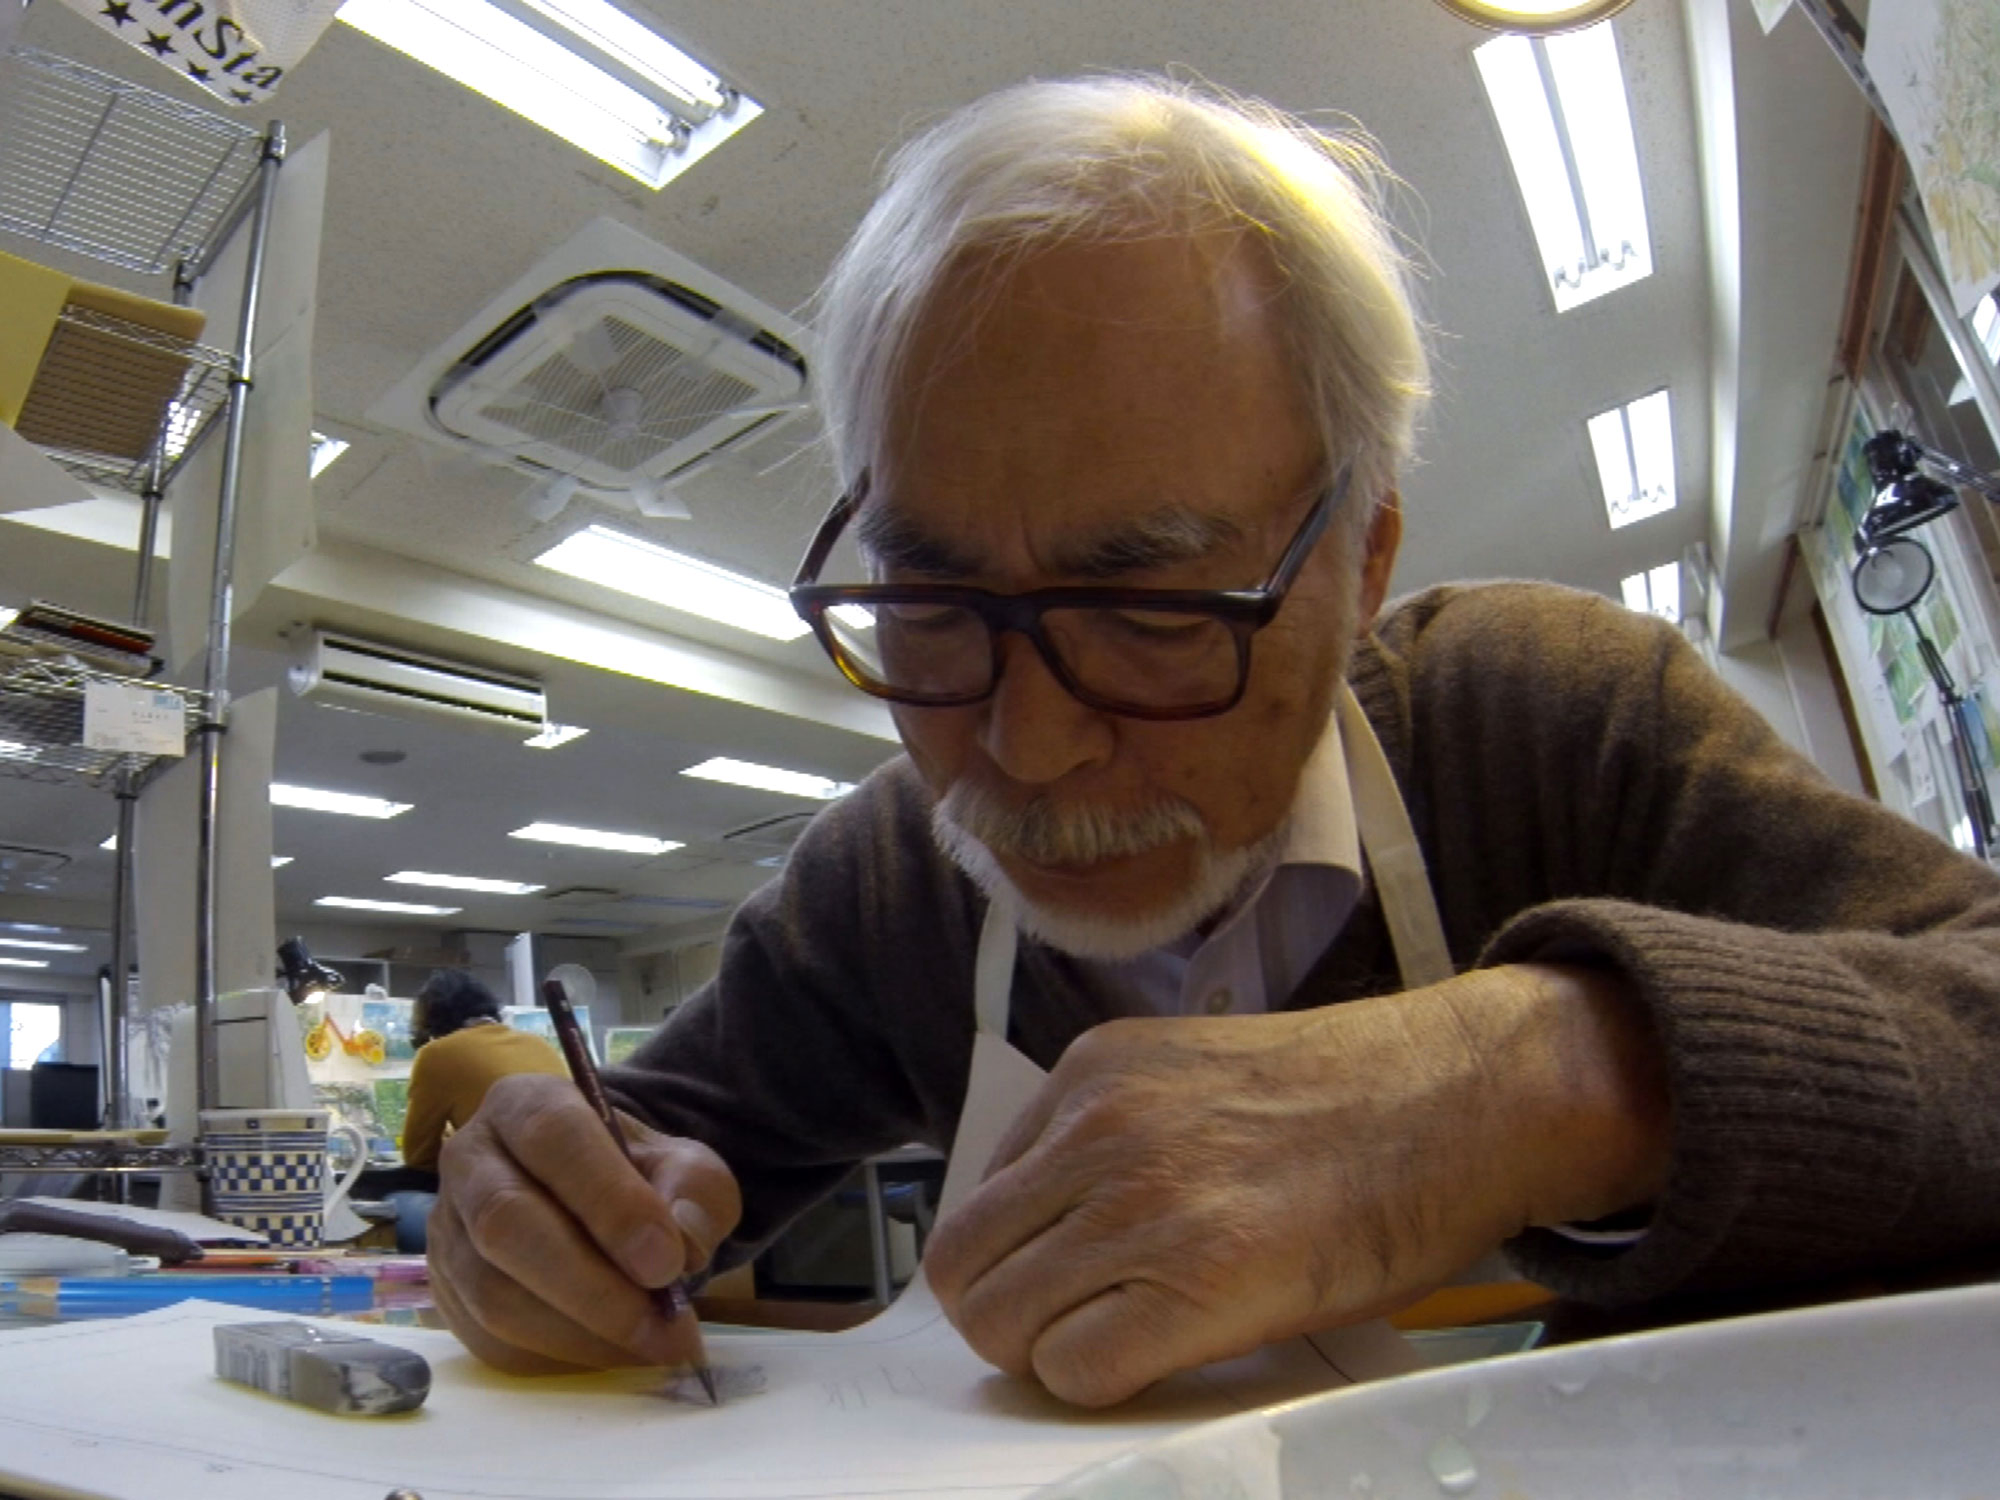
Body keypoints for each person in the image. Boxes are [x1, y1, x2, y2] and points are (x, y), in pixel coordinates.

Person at [427, 75, 2000, 1407]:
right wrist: (546, 1201)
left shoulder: (1552, 724)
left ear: (1361, 561)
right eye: (931, 602)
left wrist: (1537, 1084)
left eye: (1153, 610)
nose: (1024, 749)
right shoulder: (888, 884)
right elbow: (660, 1143)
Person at [400, 971, 568, 1173]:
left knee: (398, 1198)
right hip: (577, 1178)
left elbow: (418, 1156)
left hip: (518, 1185)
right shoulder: (537, 1043)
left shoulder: (438, 1054)